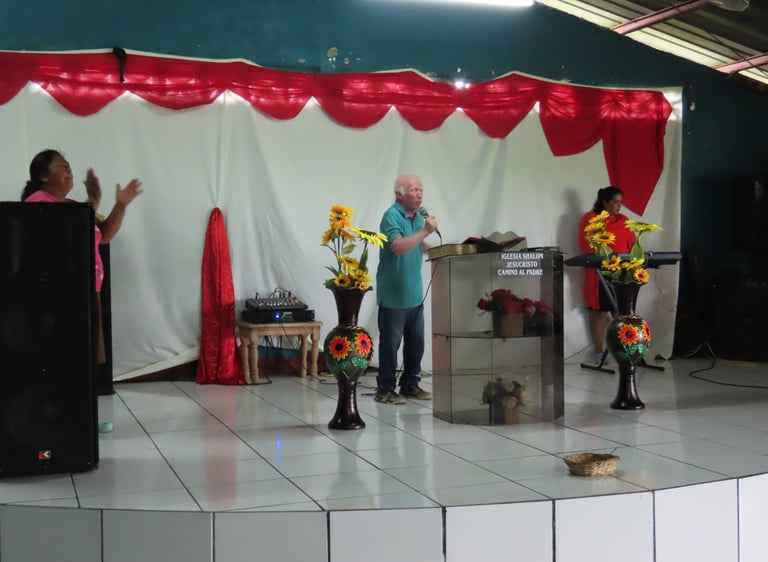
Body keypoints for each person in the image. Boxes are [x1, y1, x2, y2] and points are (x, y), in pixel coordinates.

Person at [21, 149, 143, 432]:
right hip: (60, 297)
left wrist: (120, 204)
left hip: (89, 291)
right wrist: (92, 202)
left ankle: (82, 417)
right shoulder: (38, 202)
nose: (69, 171)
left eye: (70, 167)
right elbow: (59, 235)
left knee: (84, 358)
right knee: (63, 358)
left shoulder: (74, 205)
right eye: (62, 166)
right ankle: (62, 419)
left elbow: (106, 234)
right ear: (43, 175)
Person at [374, 174, 439, 404]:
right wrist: (426, 231)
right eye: (413, 190)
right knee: (391, 344)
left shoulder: (418, 217)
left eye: (421, 190)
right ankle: (385, 389)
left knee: (416, 342)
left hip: (413, 292)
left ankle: (410, 384)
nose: (419, 194)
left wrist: (435, 250)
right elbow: (398, 246)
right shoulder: (391, 216)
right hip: (393, 294)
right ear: (399, 194)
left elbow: (416, 243)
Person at [578, 186, 636, 363]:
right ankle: (599, 352)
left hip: (621, 273)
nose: (619, 206)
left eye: (620, 203)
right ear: (605, 201)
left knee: (621, 313)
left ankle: (625, 351)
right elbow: (585, 244)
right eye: (616, 202)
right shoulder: (590, 219)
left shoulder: (624, 220)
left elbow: (633, 244)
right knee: (600, 313)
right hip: (600, 274)